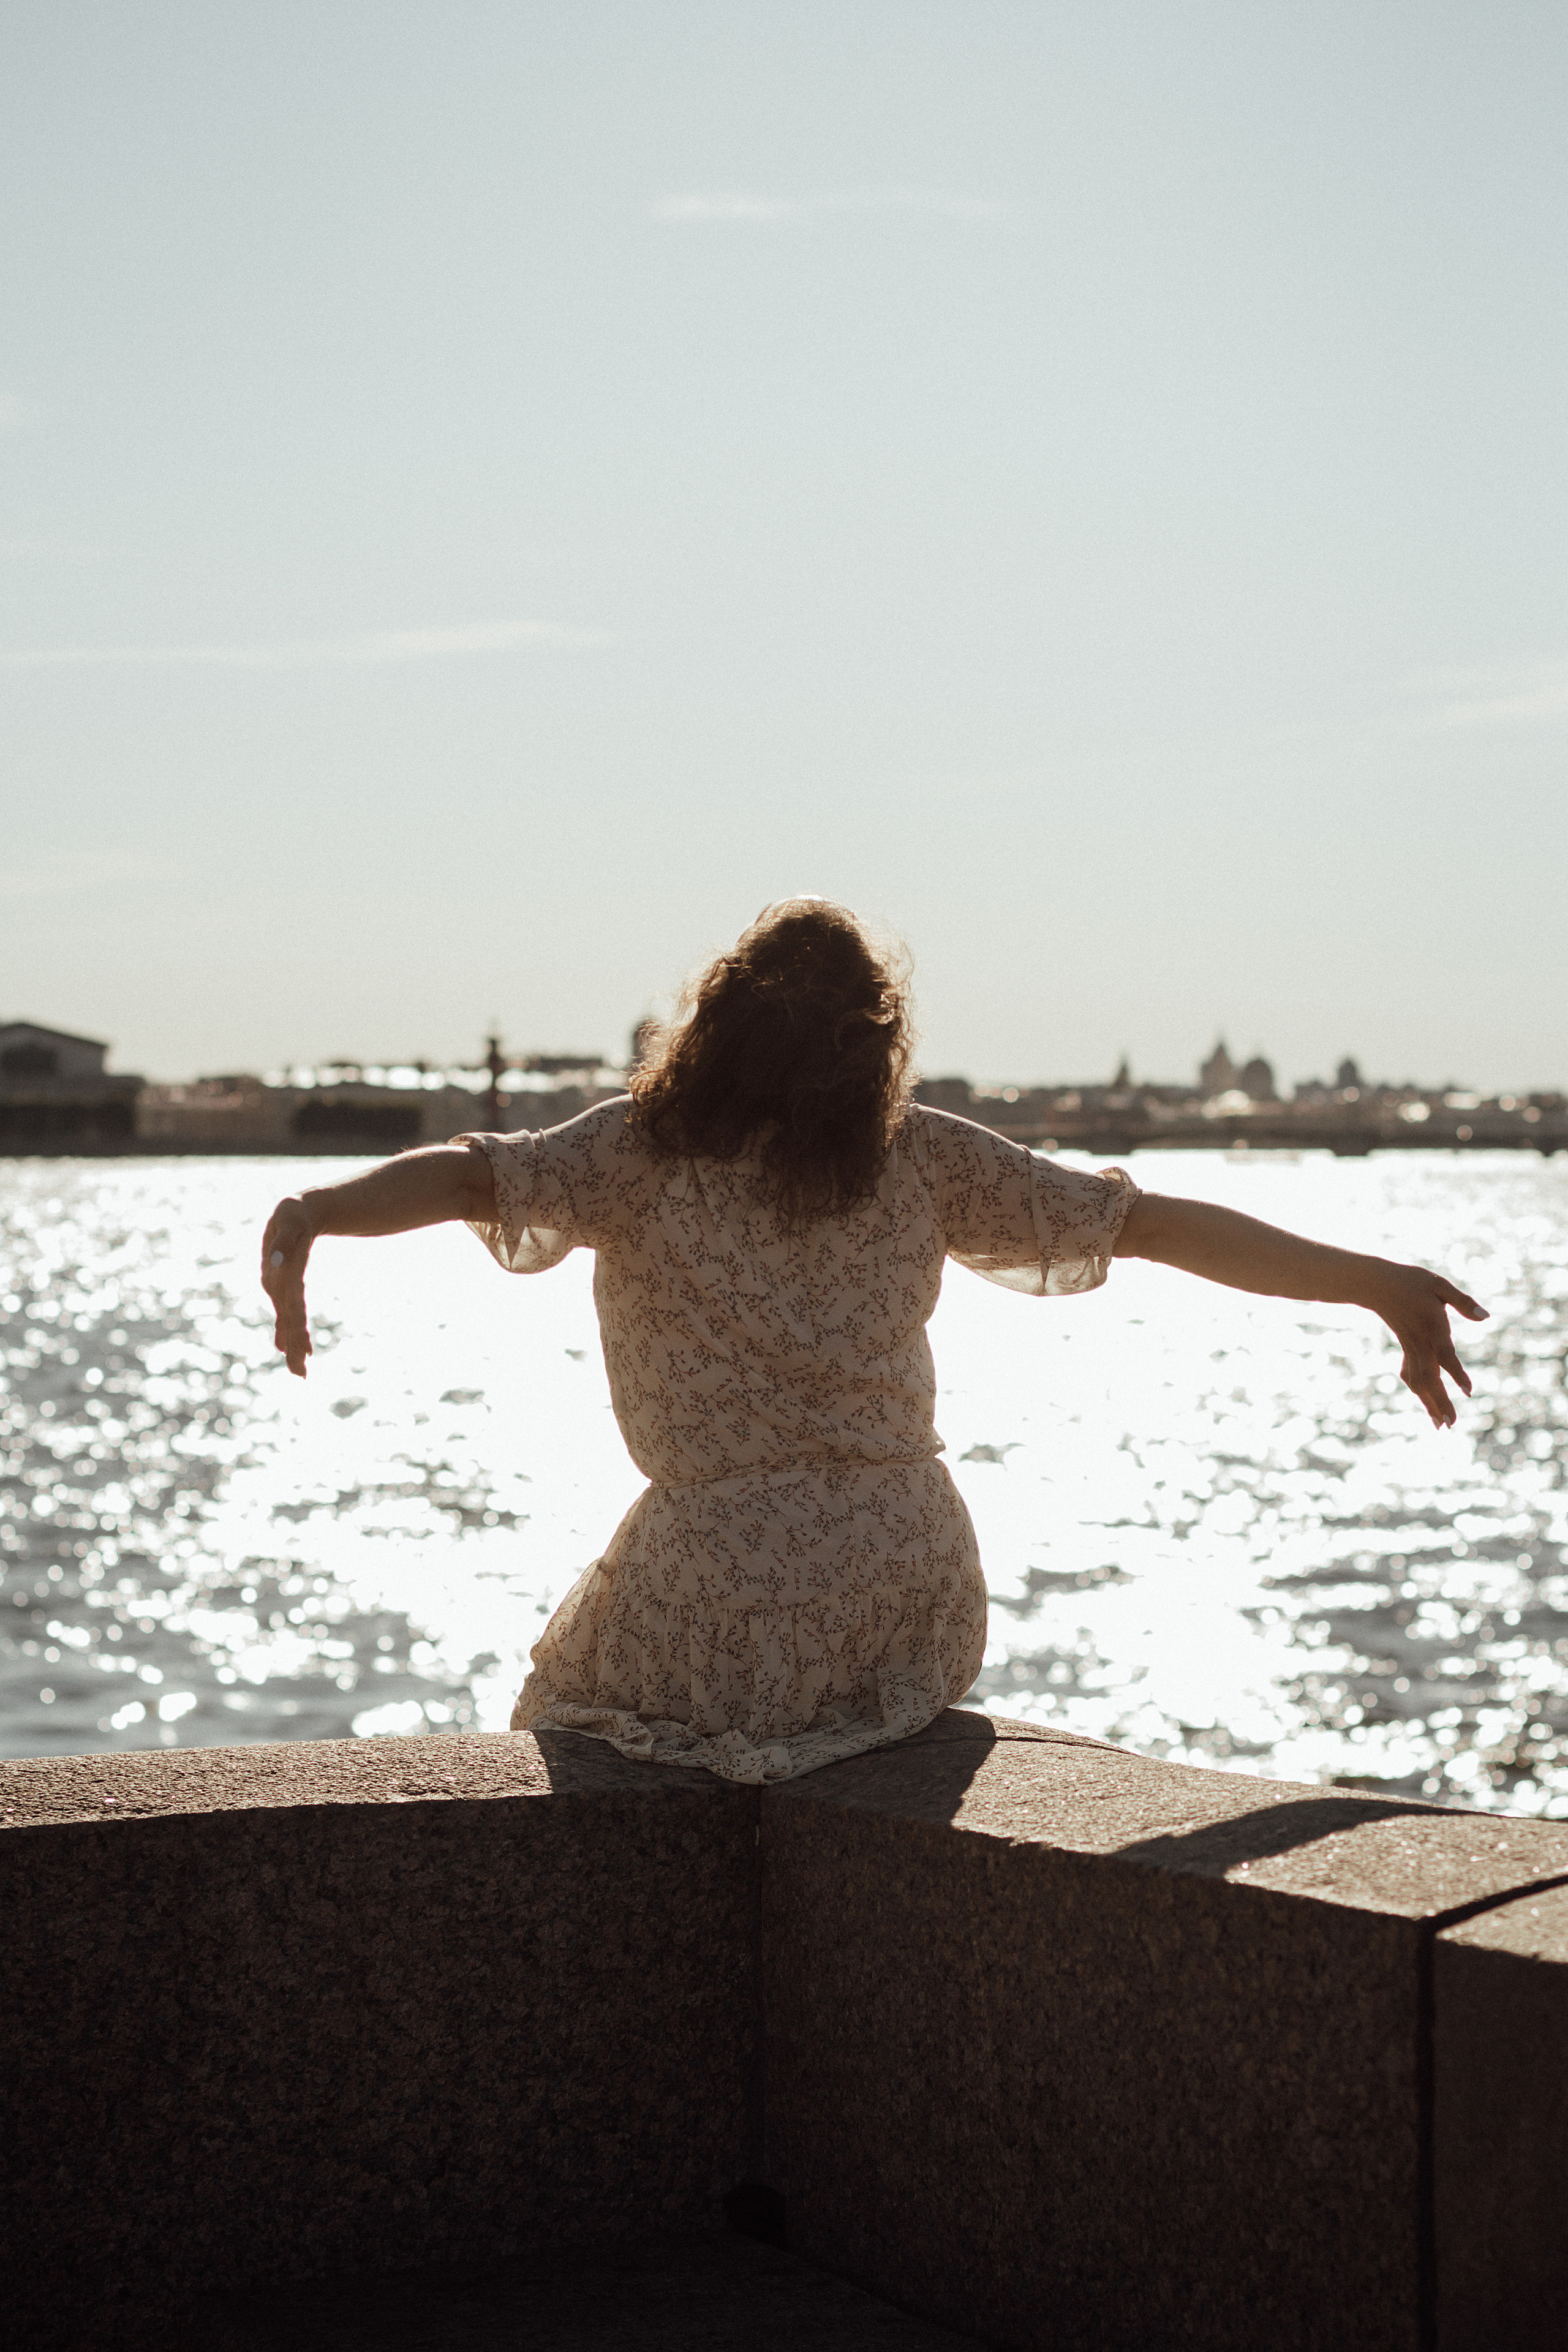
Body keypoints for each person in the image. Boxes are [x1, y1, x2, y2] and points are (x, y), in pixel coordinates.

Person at [261, 899, 1485, 1785]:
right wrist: (1370, 1283)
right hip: (914, 1578)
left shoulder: (637, 1153)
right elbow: (1156, 1226)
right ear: (874, 1041)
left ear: (717, 1022)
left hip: (724, 1573)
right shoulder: (924, 1156)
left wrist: (316, 1214)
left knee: (563, 1726)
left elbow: (471, 1178)